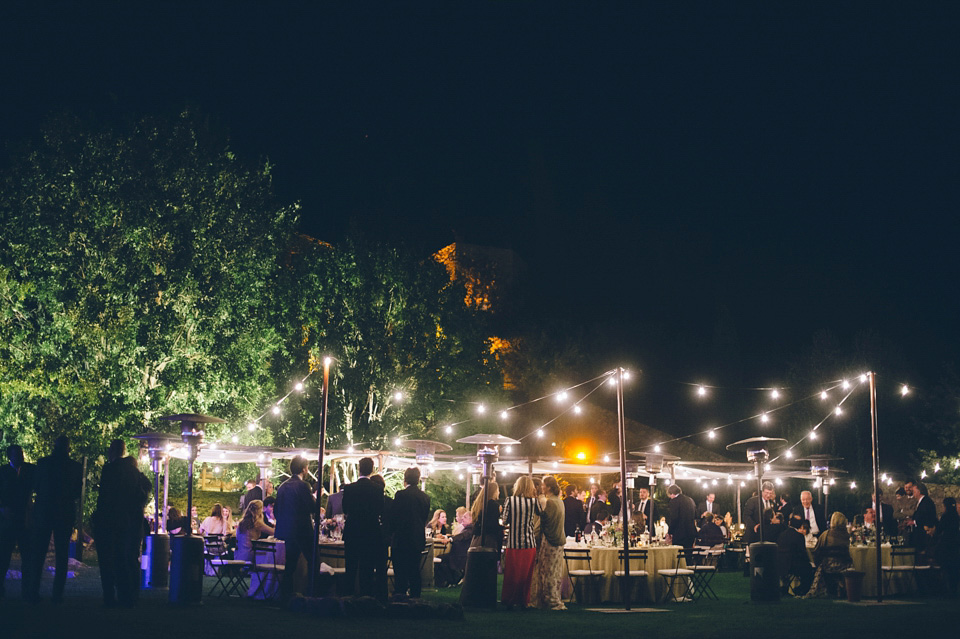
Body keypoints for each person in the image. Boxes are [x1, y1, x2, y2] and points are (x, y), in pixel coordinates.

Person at [24, 435, 83, 604]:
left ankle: (33, 591)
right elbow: (76, 493)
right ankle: (57, 594)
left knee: (39, 553)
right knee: (62, 554)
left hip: (44, 512)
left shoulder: (43, 464)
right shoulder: (75, 467)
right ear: (68, 448)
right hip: (64, 513)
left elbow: (35, 486)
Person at [93, 439, 151, 608]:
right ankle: (129, 596)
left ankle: (110, 596)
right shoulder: (135, 473)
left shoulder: (110, 470)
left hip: (111, 521)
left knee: (109, 560)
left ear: (112, 451)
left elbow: (105, 498)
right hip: (130, 523)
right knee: (126, 559)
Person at [274, 455, 316, 601]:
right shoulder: (304, 486)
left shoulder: (282, 486)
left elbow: (276, 510)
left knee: (290, 564)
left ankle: (286, 594)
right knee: (313, 560)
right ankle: (311, 592)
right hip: (302, 530)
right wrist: (315, 498)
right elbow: (311, 507)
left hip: (287, 530)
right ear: (304, 469)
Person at [342, 456, 383, 597]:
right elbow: (380, 510)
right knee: (367, 567)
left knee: (351, 567)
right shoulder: (377, 489)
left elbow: (345, 509)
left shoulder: (349, 489)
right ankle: (366, 598)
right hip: (371, 532)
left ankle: (348, 596)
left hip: (353, 530)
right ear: (372, 470)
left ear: (359, 469)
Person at [0, 444, 35, 600]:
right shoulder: (3, 472)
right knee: (4, 556)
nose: (21, 457)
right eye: (18, 454)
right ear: (10, 456)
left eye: (21, 453)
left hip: (22, 518)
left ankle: (27, 590)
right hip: (9, 518)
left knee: (26, 557)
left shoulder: (29, 470)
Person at [390, 466, 430, 598]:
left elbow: (395, 517)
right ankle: (415, 597)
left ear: (405, 479)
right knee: (414, 570)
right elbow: (424, 518)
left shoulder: (401, 495)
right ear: (418, 480)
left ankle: (400, 595)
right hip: (417, 537)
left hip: (401, 538)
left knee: (400, 570)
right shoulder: (425, 497)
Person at [501, 475, 541, 609]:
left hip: (513, 542)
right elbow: (542, 513)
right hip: (530, 542)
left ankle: (509, 600)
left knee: (512, 573)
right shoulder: (534, 502)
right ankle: (523, 600)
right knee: (526, 574)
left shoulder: (510, 500)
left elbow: (504, 520)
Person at [529, 475, 566, 610]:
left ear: (548, 487)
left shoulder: (549, 503)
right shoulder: (560, 501)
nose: (541, 487)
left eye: (543, 485)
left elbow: (543, 523)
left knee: (548, 572)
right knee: (556, 572)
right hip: (560, 540)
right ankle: (555, 598)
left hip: (550, 541)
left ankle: (550, 600)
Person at [804, 512, 853, 598]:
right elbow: (847, 555)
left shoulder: (825, 535)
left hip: (828, 566)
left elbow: (816, 551)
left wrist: (819, 563)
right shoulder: (847, 536)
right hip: (844, 566)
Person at [777, 517, 814, 597]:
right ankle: (802, 589)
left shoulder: (782, 535)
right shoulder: (799, 536)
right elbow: (802, 553)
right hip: (794, 566)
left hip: (781, 564)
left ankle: (785, 587)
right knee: (809, 569)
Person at [436, 510, 473, 587]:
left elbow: (462, 536)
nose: (462, 518)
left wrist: (449, 539)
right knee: (441, 559)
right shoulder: (468, 528)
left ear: (471, 519)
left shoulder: (470, 529)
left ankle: (450, 581)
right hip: (458, 555)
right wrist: (447, 537)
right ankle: (452, 580)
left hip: (460, 556)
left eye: (465, 517)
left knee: (439, 559)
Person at [369, 474, 392, 602]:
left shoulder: (368, 503)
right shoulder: (389, 502)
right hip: (383, 539)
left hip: (371, 538)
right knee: (381, 568)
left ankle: (368, 594)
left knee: (367, 567)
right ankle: (382, 595)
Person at [934, 496, 959, 596]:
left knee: (946, 566)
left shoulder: (946, 516)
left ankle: (946, 588)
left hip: (946, 544)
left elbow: (939, 529)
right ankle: (953, 588)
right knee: (954, 567)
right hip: (955, 544)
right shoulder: (956, 516)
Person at [470, 480, 502, 551]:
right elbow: (493, 525)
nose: (499, 492)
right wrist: (502, 528)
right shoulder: (494, 505)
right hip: (488, 540)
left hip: (476, 539)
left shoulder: (478, 504)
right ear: (494, 492)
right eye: (498, 490)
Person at [906, 481, 936, 550]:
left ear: (919, 491)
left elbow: (926, 516)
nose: (912, 492)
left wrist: (914, 522)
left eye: (914, 490)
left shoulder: (926, 502)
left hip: (923, 535)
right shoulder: (922, 501)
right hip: (919, 533)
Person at [666, 484, 697, 548]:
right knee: (688, 555)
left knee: (678, 555)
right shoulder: (690, 500)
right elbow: (695, 515)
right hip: (691, 532)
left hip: (680, 534)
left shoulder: (674, 501)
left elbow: (674, 518)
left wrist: (670, 532)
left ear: (671, 493)